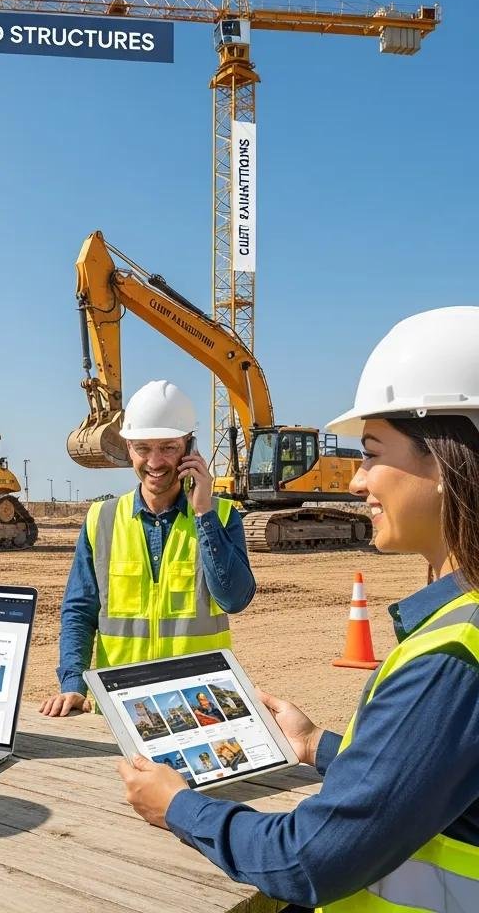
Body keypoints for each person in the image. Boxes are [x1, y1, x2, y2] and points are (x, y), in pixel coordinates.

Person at [117, 307, 479, 911]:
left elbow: (308, 857)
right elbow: (425, 774)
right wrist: (316, 745)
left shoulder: (451, 657)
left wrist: (179, 807)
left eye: (370, 453)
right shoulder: (459, 624)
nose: (357, 482)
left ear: (443, 462)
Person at [41, 380, 255, 716]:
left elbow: (233, 599)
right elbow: (79, 610)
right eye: (143, 448)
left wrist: (202, 513)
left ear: (190, 447)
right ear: (128, 448)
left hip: (197, 706)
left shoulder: (222, 516)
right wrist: (72, 684)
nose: (154, 462)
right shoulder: (102, 519)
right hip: (121, 704)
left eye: (168, 447)